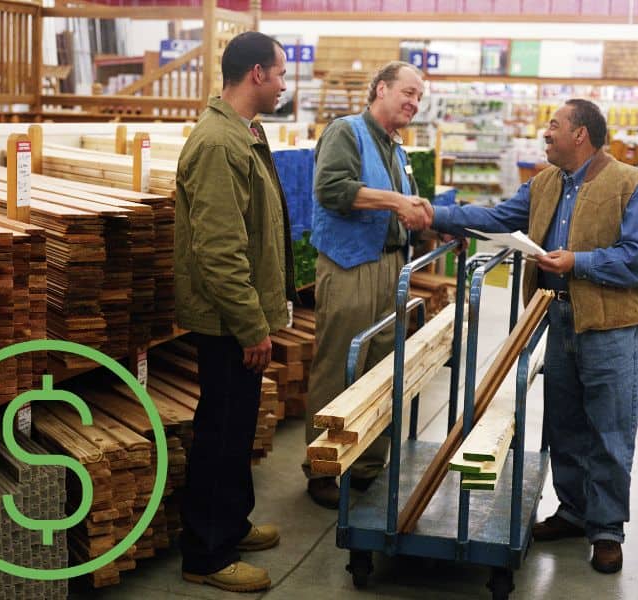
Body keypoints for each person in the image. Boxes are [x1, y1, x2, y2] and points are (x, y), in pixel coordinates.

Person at [431, 99, 638, 574]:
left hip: (613, 329)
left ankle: (606, 530)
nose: (545, 133)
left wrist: (577, 262)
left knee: (611, 429)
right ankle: (574, 512)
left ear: (580, 135)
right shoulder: (544, 183)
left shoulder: (630, 185)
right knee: (564, 424)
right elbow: (498, 219)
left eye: (554, 126)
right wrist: (433, 215)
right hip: (557, 320)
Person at [174, 31, 296, 593]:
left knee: (235, 427)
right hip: (227, 322)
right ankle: (207, 553)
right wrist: (251, 325)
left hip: (240, 317)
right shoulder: (219, 143)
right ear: (256, 75)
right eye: (280, 73)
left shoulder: (245, 134)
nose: (283, 83)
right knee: (221, 432)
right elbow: (219, 250)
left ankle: (232, 524)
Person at [304, 61, 433, 509]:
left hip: (390, 266)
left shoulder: (396, 148)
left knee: (381, 366)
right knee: (341, 365)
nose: (414, 103)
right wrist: (398, 201)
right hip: (350, 265)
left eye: (420, 97)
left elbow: (402, 210)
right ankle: (322, 469)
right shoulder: (346, 131)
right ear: (380, 88)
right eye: (408, 92)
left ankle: (365, 465)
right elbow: (333, 190)